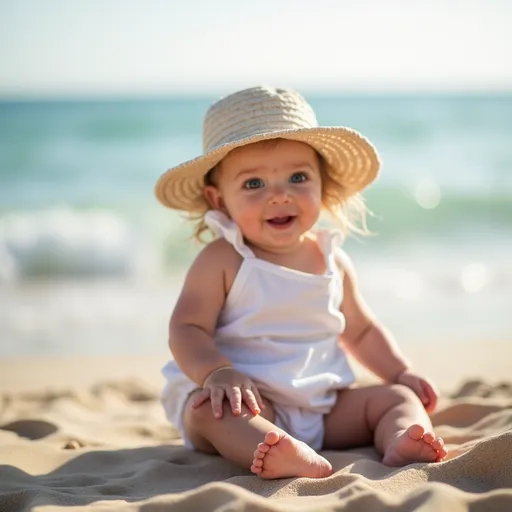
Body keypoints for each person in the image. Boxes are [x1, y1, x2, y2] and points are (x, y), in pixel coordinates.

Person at [155, 86, 448, 479]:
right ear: (219, 200)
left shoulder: (332, 260)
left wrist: (399, 372)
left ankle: (400, 438)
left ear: (322, 186)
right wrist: (216, 372)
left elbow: (360, 331)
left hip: (324, 406)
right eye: (253, 184)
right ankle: (272, 448)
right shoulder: (224, 260)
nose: (279, 195)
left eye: (298, 177)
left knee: (397, 398)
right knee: (207, 412)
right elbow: (187, 327)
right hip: (248, 401)